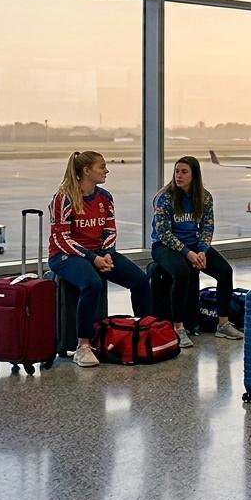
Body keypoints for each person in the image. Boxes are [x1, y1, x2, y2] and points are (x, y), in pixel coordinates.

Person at [47, 150, 151, 368]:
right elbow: (61, 238)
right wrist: (93, 258)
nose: (107, 170)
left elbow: (109, 230)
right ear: (86, 171)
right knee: (92, 284)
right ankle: (82, 346)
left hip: (99, 254)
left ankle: (144, 332)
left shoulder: (105, 197)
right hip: (66, 255)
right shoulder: (63, 198)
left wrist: (106, 254)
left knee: (140, 281)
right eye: (101, 167)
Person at [150, 156, 244, 347]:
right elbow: (163, 232)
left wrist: (201, 251)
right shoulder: (165, 197)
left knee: (225, 272)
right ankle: (179, 328)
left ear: (194, 175)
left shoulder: (204, 197)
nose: (179, 176)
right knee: (182, 273)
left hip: (193, 245)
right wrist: (187, 253)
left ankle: (223, 323)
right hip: (164, 246)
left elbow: (207, 228)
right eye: (177, 171)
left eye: (184, 172)